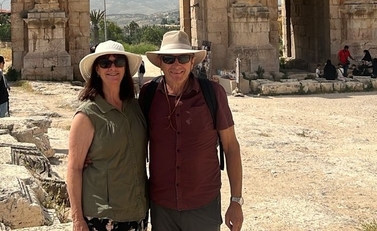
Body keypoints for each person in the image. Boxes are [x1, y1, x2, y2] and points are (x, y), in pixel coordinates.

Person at [141, 30, 244, 231]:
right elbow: (133, 141)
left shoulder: (213, 93)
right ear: (160, 63)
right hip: (162, 207)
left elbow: (231, 147)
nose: (176, 65)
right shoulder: (148, 94)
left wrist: (236, 201)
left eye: (183, 58)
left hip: (203, 205)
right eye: (169, 59)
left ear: (192, 61)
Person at [66, 41, 148, 231]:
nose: (112, 67)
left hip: (137, 211)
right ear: (97, 69)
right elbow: (74, 167)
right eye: (105, 63)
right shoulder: (87, 115)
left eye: (119, 62)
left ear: (125, 68)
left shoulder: (136, 107)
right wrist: (77, 219)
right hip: (102, 216)